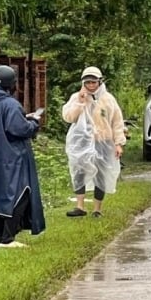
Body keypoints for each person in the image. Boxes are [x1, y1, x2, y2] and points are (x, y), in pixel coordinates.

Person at [0, 65, 46, 248]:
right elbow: (19, 129)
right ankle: (7, 239)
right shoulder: (10, 104)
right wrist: (33, 122)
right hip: (13, 158)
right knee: (21, 193)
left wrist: (24, 118)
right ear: (10, 84)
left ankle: (0, 239)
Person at [61, 66, 126, 218]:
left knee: (100, 174)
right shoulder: (76, 97)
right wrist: (80, 103)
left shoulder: (108, 99)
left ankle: (97, 209)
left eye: (93, 82)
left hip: (103, 141)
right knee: (79, 171)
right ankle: (80, 206)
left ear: (99, 81)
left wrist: (118, 144)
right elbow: (69, 117)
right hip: (81, 142)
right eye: (87, 82)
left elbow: (117, 122)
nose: (91, 85)